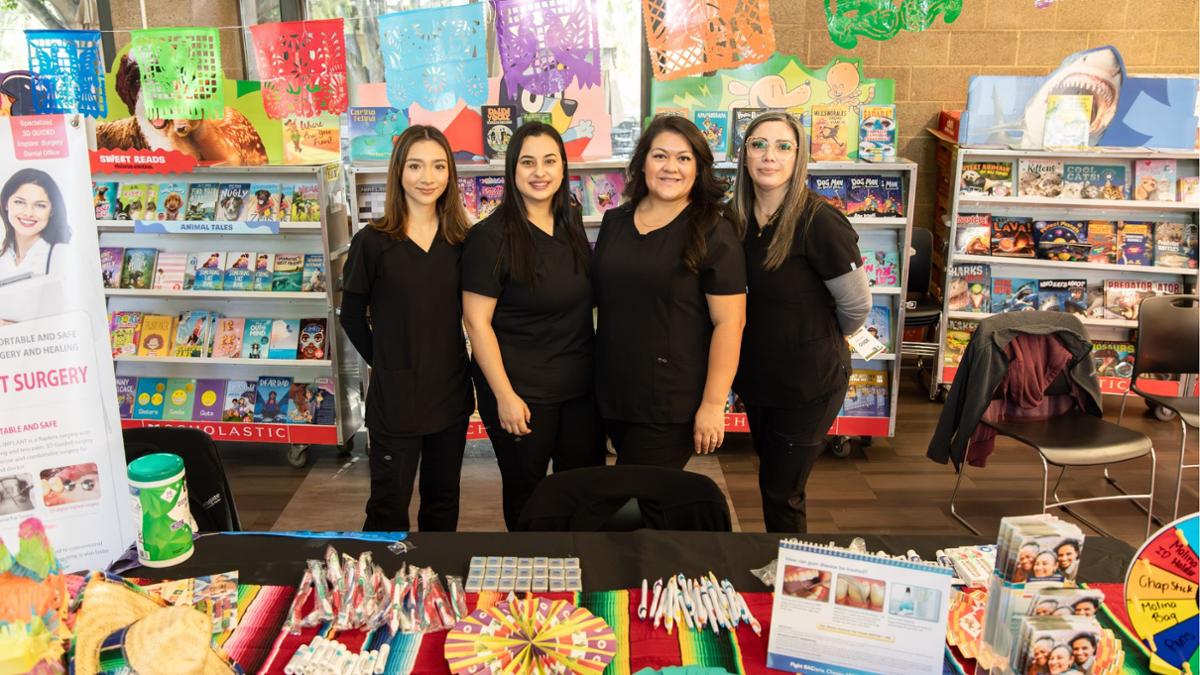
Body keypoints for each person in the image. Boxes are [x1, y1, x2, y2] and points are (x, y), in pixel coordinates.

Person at [728, 111, 871, 533]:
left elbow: (856, 307)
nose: (768, 156)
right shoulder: (733, 221)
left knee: (781, 491)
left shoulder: (820, 222)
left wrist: (811, 338)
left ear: (798, 158)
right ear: (744, 155)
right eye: (758, 145)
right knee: (771, 475)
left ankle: (792, 584)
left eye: (782, 146)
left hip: (810, 383)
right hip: (758, 380)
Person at [462, 122, 605, 529]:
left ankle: (575, 578)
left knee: (582, 491)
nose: (539, 172)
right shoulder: (489, 238)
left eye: (549, 161)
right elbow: (477, 321)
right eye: (528, 162)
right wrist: (504, 395)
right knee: (529, 498)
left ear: (563, 168)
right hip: (522, 393)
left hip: (579, 389)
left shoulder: (570, 220)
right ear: (512, 170)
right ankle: (529, 584)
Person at [339, 125, 474, 532]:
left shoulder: (463, 239)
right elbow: (350, 315)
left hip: (450, 394)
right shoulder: (373, 241)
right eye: (415, 166)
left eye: (437, 166)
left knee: (443, 501)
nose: (427, 177)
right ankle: (382, 589)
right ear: (399, 172)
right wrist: (387, 361)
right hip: (394, 399)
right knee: (387, 504)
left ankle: (436, 586)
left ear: (450, 173)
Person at [592, 114, 746, 468]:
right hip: (610, 391)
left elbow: (730, 324)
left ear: (698, 168)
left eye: (683, 158)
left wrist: (712, 404)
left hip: (671, 399)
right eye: (660, 155)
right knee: (615, 493)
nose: (670, 167)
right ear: (642, 162)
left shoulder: (713, 231)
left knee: (647, 497)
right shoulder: (615, 222)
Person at [0, 168, 71, 282]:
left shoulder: (63, 255)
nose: (28, 213)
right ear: (5, 204)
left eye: (40, 205)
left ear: (52, 210)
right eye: (19, 202)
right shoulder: (5, 255)